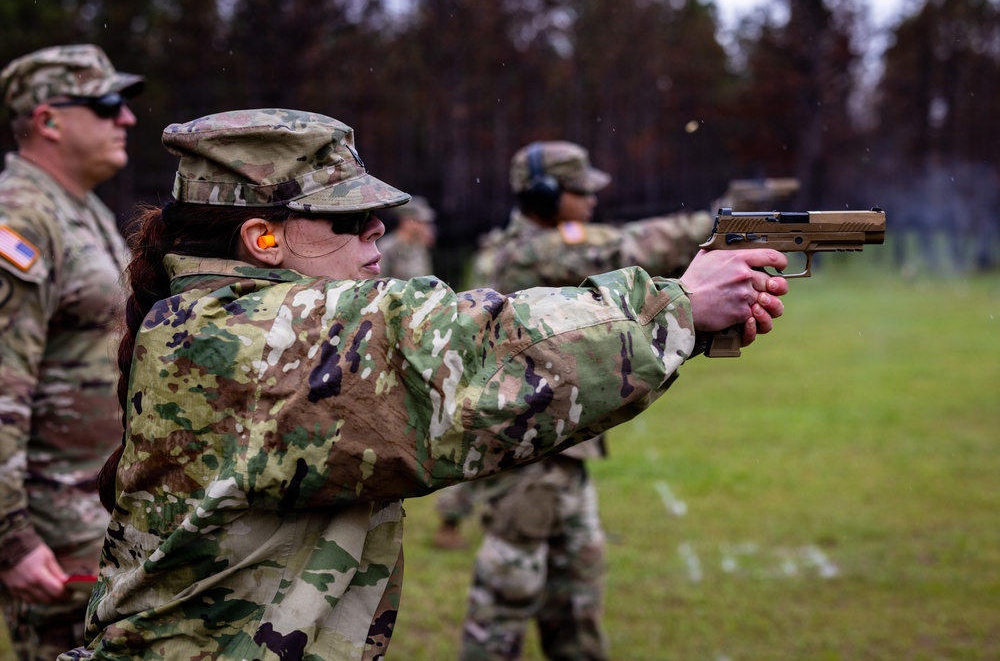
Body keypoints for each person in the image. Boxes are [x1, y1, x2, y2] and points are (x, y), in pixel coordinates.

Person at [57, 109, 787, 660]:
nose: (380, 227)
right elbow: (468, 355)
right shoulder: (247, 338)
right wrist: (679, 304)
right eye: (347, 216)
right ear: (262, 238)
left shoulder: (214, 320)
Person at [458, 140, 717, 661]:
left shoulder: (540, 243)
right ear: (547, 195)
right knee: (507, 599)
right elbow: (629, 248)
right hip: (523, 456)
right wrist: (715, 224)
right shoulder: (527, 250)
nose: (592, 200)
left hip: (562, 453)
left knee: (577, 600)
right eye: (580, 191)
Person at [0, 44, 143, 660]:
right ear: (48, 121)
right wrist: (11, 537)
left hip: (99, 517)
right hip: (56, 531)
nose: (126, 118)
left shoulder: (78, 208)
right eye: (107, 104)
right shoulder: (23, 218)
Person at [378, 195, 437, 279]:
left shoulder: (419, 246)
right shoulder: (387, 247)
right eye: (420, 222)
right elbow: (378, 281)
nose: (424, 227)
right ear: (407, 222)